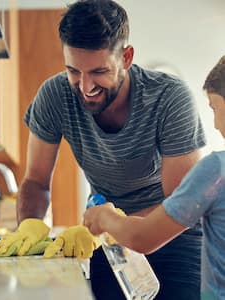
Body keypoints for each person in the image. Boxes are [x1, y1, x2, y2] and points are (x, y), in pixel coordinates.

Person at [17, 0, 206, 299]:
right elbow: (36, 182)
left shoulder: (169, 98)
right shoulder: (54, 96)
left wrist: (114, 222)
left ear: (127, 57)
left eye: (99, 71)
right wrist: (28, 230)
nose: (85, 86)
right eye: (74, 71)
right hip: (109, 243)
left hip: (174, 238)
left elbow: (180, 204)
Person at [84, 55, 225, 300]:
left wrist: (105, 217)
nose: (213, 124)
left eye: (214, 107)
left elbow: (143, 238)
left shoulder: (216, 171)